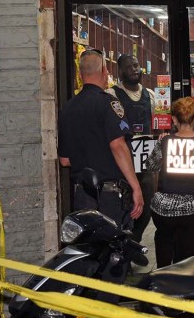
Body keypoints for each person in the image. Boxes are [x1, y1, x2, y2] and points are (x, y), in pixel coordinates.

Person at [58, 49, 143, 229]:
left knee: (90, 249)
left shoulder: (68, 108)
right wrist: (136, 187)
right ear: (104, 71)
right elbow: (118, 146)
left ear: (80, 74)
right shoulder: (108, 104)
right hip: (109, 196)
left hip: (82, 195)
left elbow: (65, 160)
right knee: (114, 251)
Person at [145, 97, 194, 267]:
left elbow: (150, 165)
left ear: (174, 119)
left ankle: (164, 282)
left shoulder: (165, 143)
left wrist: (161, 143)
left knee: (165, 254)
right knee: (192, 264)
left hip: (163, 212)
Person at [108, 54, 156, 242]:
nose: (135, 70)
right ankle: (124, 247)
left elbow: (157, 124)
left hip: (146, 161)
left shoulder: (151, 95)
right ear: (120, 72)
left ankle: (135, 242)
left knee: (147, 205)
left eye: (136, 65)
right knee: (124, 207)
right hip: (123, 160)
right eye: (129, 67)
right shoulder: (111, 95)